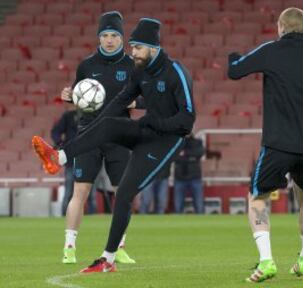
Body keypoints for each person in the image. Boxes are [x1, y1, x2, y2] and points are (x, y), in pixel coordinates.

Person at [32, 17, 195, 273]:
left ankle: (109, 257)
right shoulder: (139, 70)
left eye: (137, 48)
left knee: (124, 194)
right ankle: (60, 157)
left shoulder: (176, 72)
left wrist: (154, 122)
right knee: (107, 125)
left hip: (167, 139)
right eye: (132, 47)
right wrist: (97, 116)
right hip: (145, 130)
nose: (133, 53)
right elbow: (120, 101)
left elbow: (187, 120)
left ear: (152, 47)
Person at [228, 7, 303, 282]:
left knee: (257, 198)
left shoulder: (271, 50)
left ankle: (267, 261)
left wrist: (233, 56)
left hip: (277, 144)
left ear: (281, 27)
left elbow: (234, 72)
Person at [58, 11, 137, 265]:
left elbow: (148, 97)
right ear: (99, 38)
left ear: (122, 38)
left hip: (119, 134)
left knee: (122, 193)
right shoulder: (87, 65)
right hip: (89, 133)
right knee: (79, 191)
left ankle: (120, 247)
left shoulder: (132, 65)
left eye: (114, 35)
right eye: (105, 35)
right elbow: (79, 96)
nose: (110, 40)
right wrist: (69, 95)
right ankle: (69, 248)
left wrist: (139, 101)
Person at [51, 109, 97, 216]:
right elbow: (55, 132)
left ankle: (92, 218)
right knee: (69, 192)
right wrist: (60, 144)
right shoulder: (68, 116)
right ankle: (64, 215)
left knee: (90, 193)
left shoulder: (95, 115)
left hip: (90, 159)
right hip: (72, 160)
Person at [173, 133, 205, 214]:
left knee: (199, 206)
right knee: (178, 207)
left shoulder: (198, 141)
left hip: (195, 178)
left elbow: (200, 152)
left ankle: (201, 226)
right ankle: (178, 226)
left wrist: (184, 153)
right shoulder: (176, 143)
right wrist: (191, 158)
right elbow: (174, 157)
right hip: (179, 178)